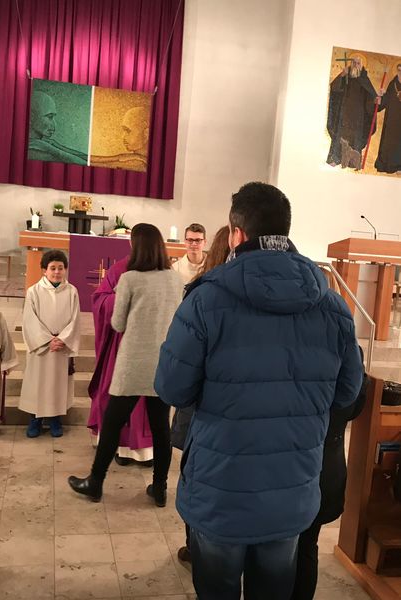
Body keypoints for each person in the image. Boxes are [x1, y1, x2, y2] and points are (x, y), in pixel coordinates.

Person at [155, 182, 363, 600]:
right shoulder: (333, 306)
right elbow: (347, 394)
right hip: (291, 488)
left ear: (237, 234)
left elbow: (172, 388)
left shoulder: (205, 300)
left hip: (220, 489)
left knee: (216, 588)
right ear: (286, 230)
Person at [68, 223, 183, 506]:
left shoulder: (130, 279)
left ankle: (95, 482)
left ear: (137, 246)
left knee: (111, 423)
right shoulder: (175, 279)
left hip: (133, 364)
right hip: (163, 363)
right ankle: (160, 489)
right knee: (161, 428)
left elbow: (117, 323)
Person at [170, 224, 230, 565]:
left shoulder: (200, 293)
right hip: (234, 411)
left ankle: (195, 545)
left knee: (196, 477)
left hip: (201, 406)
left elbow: (176, 377)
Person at [291, 346, 367, 600]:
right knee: (307, 547)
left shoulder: (295, 349)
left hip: (293, 466)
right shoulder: (350, 352)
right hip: (328, 465)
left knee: (276, 550)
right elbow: (355, 406)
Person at [87, 255, 154, 466]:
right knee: (125, 396)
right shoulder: (120, 268)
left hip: (144, 344)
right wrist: (121, 298)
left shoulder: (162, 271)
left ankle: (146, 451)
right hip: (126, 344)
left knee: (143, 400)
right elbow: (100, 300)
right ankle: (122, 449)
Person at [18, 250, 81, 438]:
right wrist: (46, 340)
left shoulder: (71, 291)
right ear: (44, 270)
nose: (57, 272)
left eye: (60, 268)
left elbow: (75, 319)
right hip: (41, 348)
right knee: (37, 383)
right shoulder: (34, 291)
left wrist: (63, 339)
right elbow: (29, 320)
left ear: (65, 269)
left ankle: (55, 419)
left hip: (61, 346)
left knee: (57, 385)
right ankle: (35, 420)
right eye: (52, 268)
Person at [326, 56, 379, 169]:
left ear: (362, 65)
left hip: (358, 117)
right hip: (344, 114)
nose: (355, 64)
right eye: (353, 62)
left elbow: (371, 97)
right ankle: (336, 158)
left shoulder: (364, 79)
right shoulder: (346, 76)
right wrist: (342, 75)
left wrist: (375, 100)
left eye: (358, 63)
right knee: (341, 136)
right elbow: (334, 88)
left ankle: (353, 162)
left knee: (355, 138)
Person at [28, 91, 88, 165]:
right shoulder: (34, 151)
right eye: (50, 117)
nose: (54, 124)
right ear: (31, 117)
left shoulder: (43, 144)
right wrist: (50, 148)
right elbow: (84, 163)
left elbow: (89, 161)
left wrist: (58, 146)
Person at [90, 105, 150, 172]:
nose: (123, 137)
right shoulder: (137, 158)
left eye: (128, 131)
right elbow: (117, 158)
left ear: (146, 134)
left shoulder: (140, 164)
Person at [375, 63, 401, 174]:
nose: (400, 72)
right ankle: (390, 165)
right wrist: (380, 98)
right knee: (389, 143)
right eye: (399, 70)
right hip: (391, 120)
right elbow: (385, 100)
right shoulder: (392, 84)